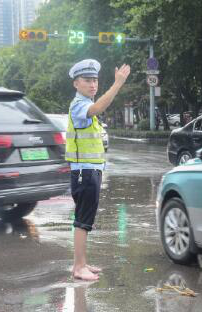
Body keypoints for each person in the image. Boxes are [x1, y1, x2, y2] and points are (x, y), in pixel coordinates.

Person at [66, 59, 131, 280]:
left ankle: (81, 263)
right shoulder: (79, 105)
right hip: (84, 171)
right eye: (87, 80)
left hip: (90, 170)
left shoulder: (83, 103)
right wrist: (117, 84)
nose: (92, 84)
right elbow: (98, 107)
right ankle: (78, 268)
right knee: (82, 220)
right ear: (76, 83)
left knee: (85, 219)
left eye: (95, 80)